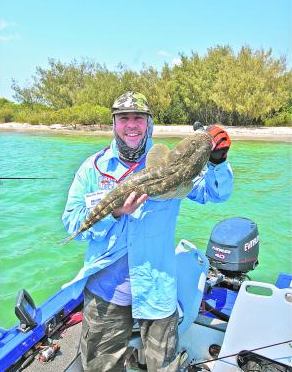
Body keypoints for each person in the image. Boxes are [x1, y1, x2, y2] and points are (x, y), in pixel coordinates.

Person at [62, 91, 233, 372]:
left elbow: (216, 194)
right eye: (123, 118)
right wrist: (115, 212)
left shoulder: (173, 162)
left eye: (138, 118)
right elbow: (73, 225)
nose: (131, 125)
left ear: (149, 122)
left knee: (163, 366)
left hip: (157, 287)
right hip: (106, 293)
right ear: (114, 123)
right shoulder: (92, 169)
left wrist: (218, 161)